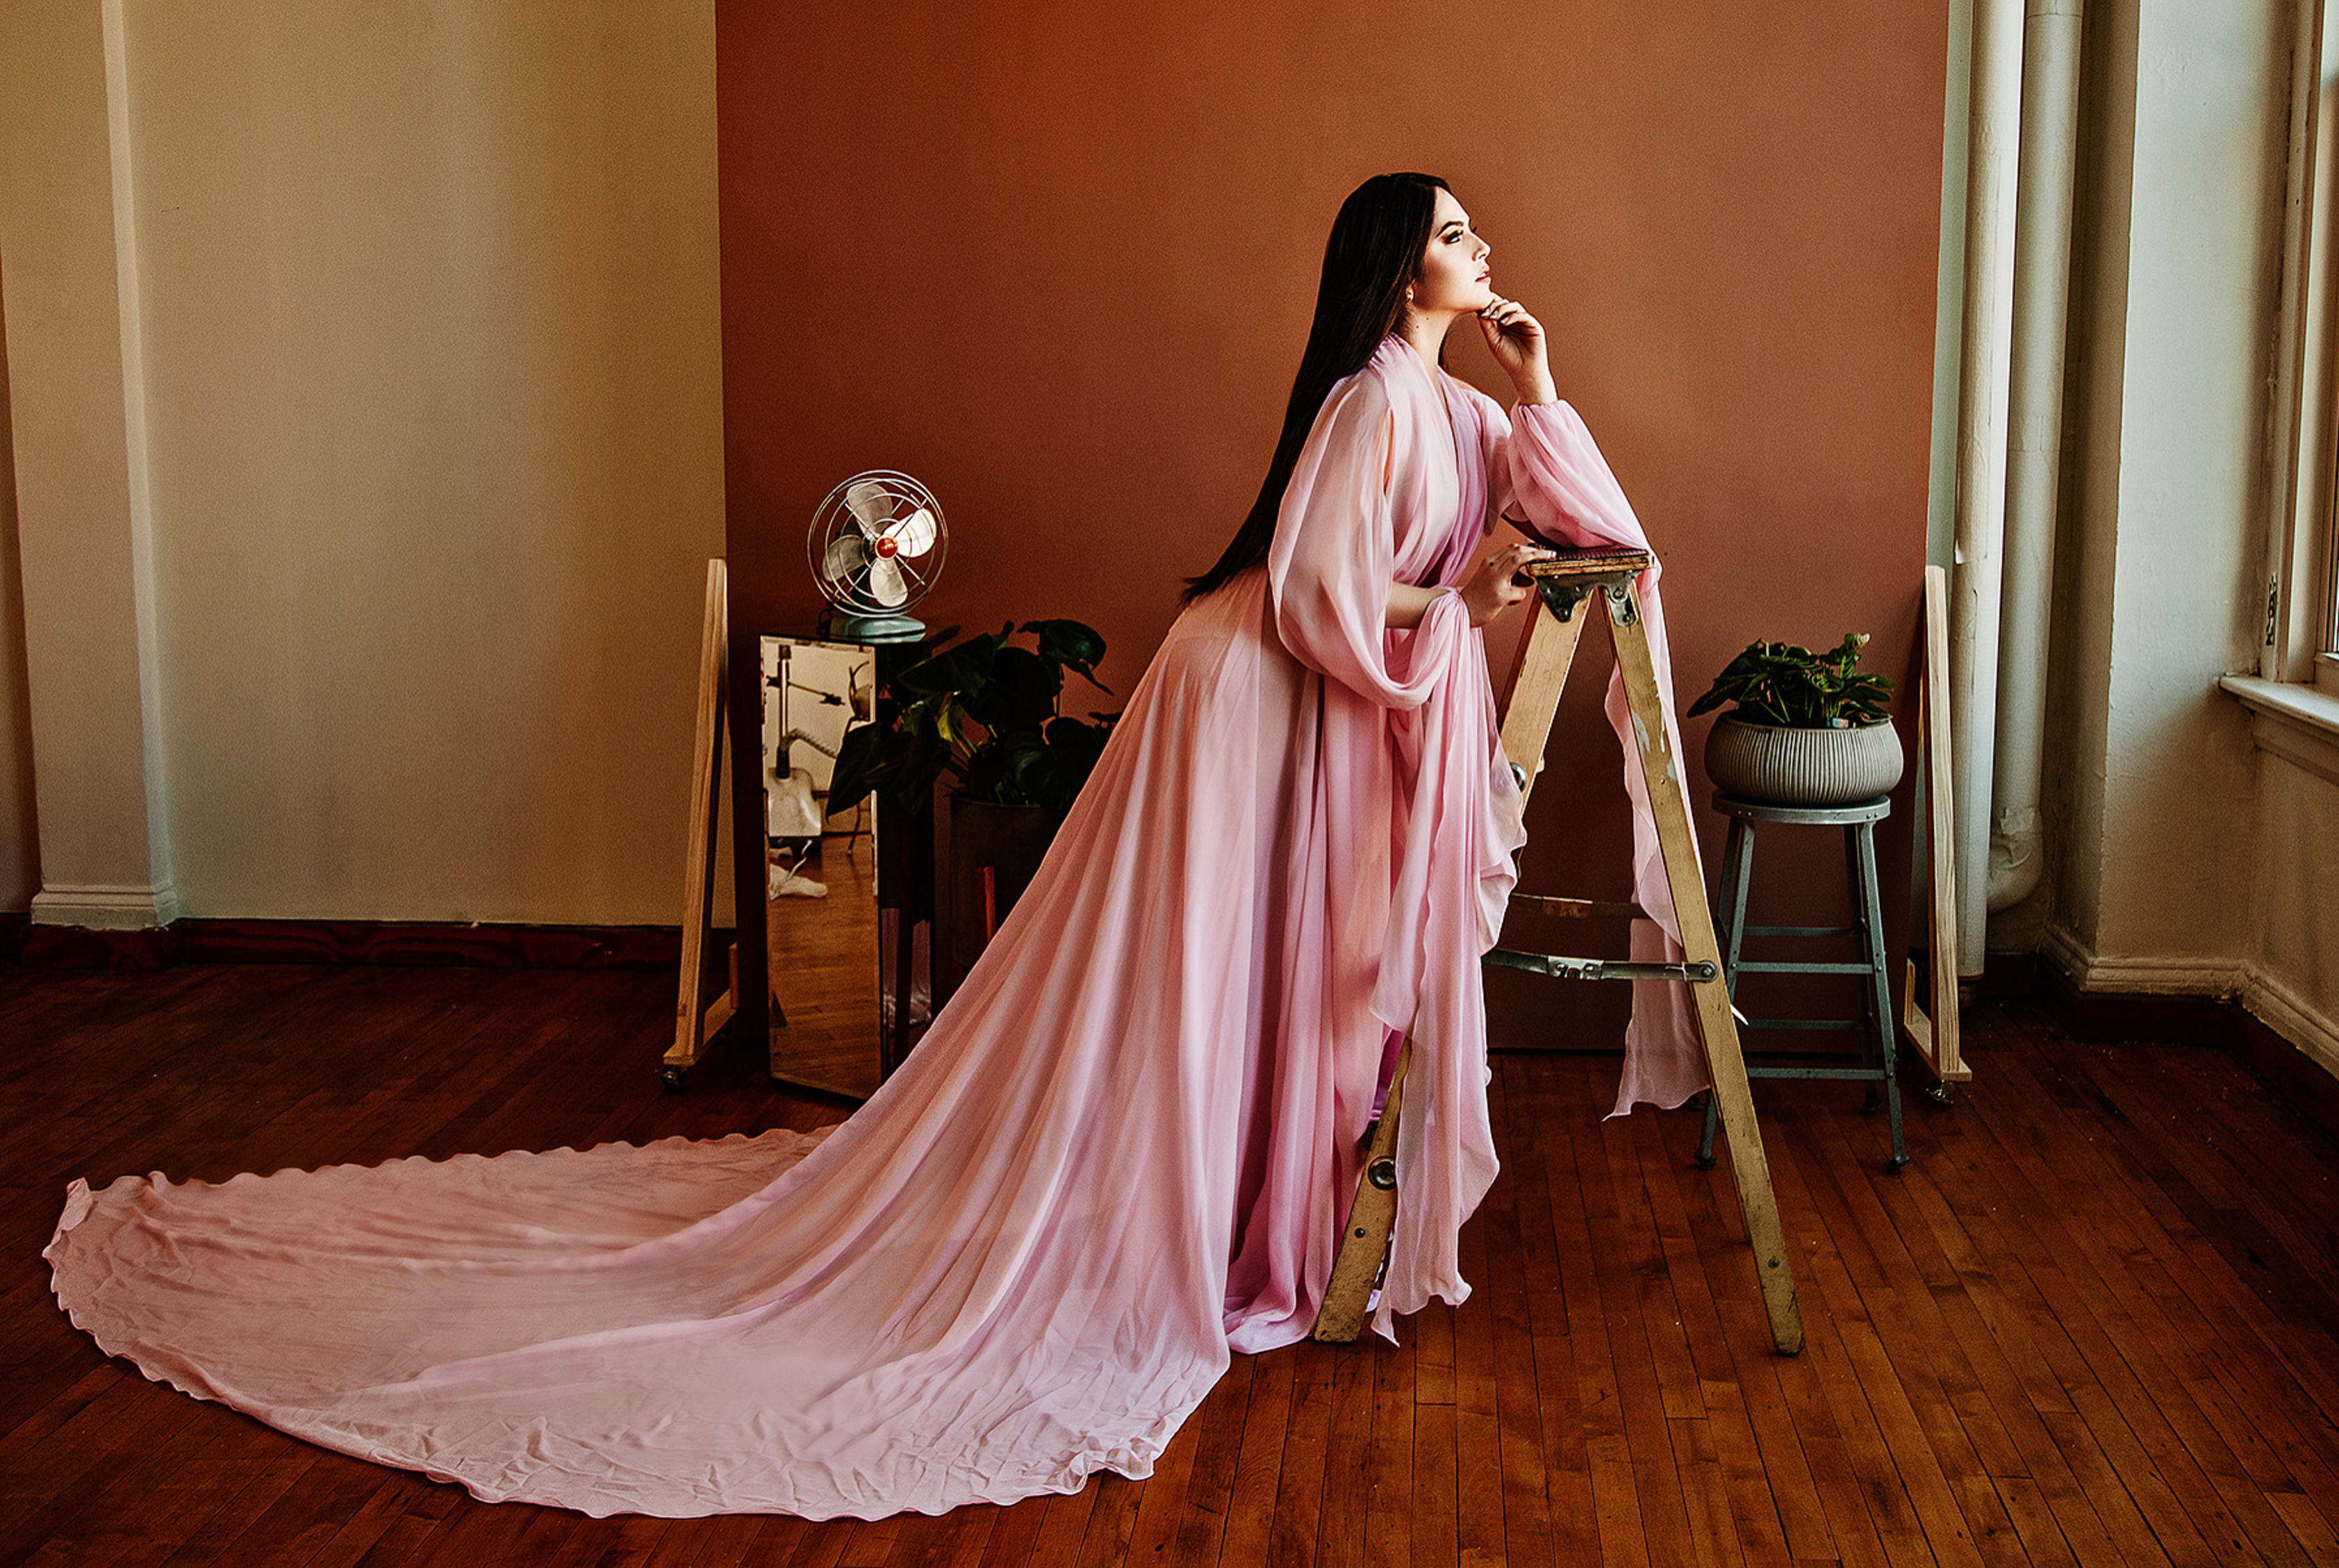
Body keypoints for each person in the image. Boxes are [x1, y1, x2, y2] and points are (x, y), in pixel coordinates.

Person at [46, 172, 1711, 1521]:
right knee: (1211, 971)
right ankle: (1185, 1221)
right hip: (1250, 696)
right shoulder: (1363, 402)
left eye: (1470, 232)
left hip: (1306, 706)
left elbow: (1577, 517)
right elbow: (1318, 600)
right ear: (1389, 268)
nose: (1474, 245)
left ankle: (1228, 1214)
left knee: (1262, 978)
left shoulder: (1449, 399)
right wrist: (1454, 607)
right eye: (1446, 233)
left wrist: (1540, 385)